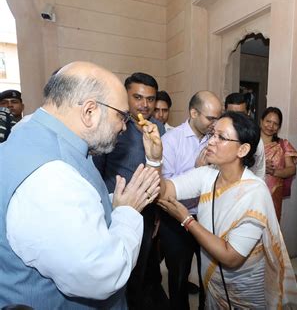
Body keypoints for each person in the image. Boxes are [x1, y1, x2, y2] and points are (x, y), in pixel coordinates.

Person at [0, 61, 161, 308]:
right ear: (90, 111)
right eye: (121, 116)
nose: (124, 126)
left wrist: (113, 203)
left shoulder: (35, 134)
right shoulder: (51, 179)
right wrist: (126, 212)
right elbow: (102, 275)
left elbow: (78, 208)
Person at [158, 111, 297, 309]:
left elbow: (231, 257)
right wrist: (154, 158)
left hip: (244, 289)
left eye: (221, 137)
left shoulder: (255, 192)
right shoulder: (206, 175)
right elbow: (164, 190)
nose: (210, 142)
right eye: (212, 134)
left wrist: (187, 220)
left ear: (242, 150)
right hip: (213, 282)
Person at [93, 72, 167, 309]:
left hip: (145, 209)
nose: (145, 104)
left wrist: (155, 211)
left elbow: (158, 169)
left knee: (138, 266)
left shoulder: (158, 127)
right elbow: (97, 171)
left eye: (150, 99)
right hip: (112, 209)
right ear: (126, 96)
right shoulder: (113, 125)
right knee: (112, 270)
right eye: (138, 97)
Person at [160, 90, 222, 309]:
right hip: (176, 220)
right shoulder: (170, 141)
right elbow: (162, 189)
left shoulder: (216, 141)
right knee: (179, 276)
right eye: (210, 118)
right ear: (193, 112)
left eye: (218, 118)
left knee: (210, 275)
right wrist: (195, 171)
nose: (215, 124)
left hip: (207, 218)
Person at [260, 107, 297, 222]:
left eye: (275, 124)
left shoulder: (282, 145)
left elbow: (292, 169)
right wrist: (259, 166)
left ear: (279, 127)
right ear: (261, 121)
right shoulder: (250, 143)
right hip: (250, 193)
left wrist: (273, 171)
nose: (271, 126)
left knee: (271, 231)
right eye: (268, 121)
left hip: (273, 197)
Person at [224, 92, 265, 179]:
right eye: (231, 114)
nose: (235, 119)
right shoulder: (215, 137)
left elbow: (260, 170)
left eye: (240, 114)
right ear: (225, 112)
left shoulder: (255, 140)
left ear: (248, 113)